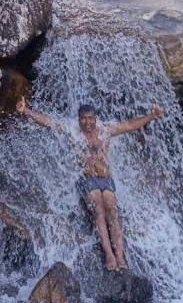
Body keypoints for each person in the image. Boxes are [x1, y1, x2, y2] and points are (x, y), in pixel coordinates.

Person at [16, 96, 163, 271]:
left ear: (96, 118)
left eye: (91, 118)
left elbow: (130, 125)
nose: (87, 122)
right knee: (99, 211)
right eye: (84, 118)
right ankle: (109, 256)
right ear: (79, 119)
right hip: (87, 180)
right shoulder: (73, 131)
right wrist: (25, 111)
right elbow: (48, 122)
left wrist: (152, 116)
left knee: (112, 211)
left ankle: (121, 258)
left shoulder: (105, 131)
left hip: (106, 180)